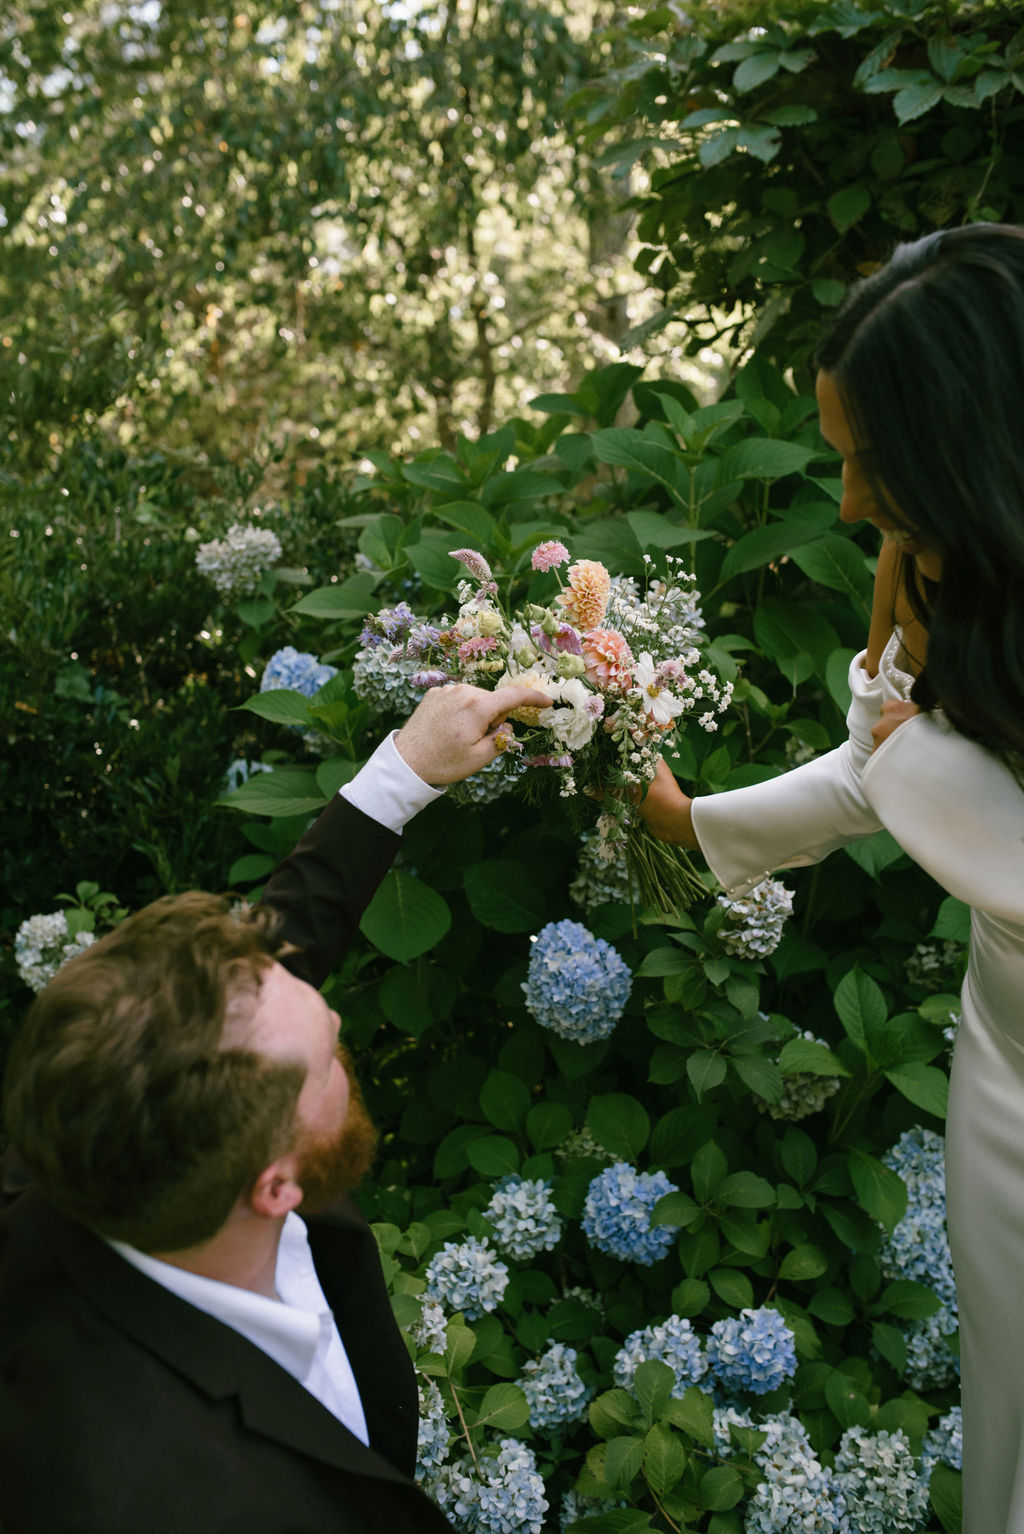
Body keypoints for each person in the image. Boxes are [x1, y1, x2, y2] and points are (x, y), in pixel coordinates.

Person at [640, 222, 1024, 1534]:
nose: (851, 500)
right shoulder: (923, 562)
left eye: (874, 460)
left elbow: (914, 776)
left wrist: (930, 779)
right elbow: (876, 764)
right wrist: (694, 823)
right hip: (1007, 1066)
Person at [0, 681, 548, 1534]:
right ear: (276, 1187)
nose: (333, 1017)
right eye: (327, 1060)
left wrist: (404, 770)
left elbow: (275, 964)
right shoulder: (173, 1497)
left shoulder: (102, 1125)